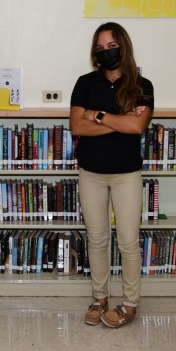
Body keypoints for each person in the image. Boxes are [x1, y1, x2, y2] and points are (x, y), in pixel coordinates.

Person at [70, 22, 154, 328]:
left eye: (112, 47)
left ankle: (130, 303)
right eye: (101, 48)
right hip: (91, 171)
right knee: (97, 239)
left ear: (124, 48)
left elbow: (136, 127)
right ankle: (100, 297)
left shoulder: (143, 86)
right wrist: (119, 121)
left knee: (129, 241)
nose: (106, 52)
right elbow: (77, 127)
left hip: (126, 173)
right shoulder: (85, 83)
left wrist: (99, 115)